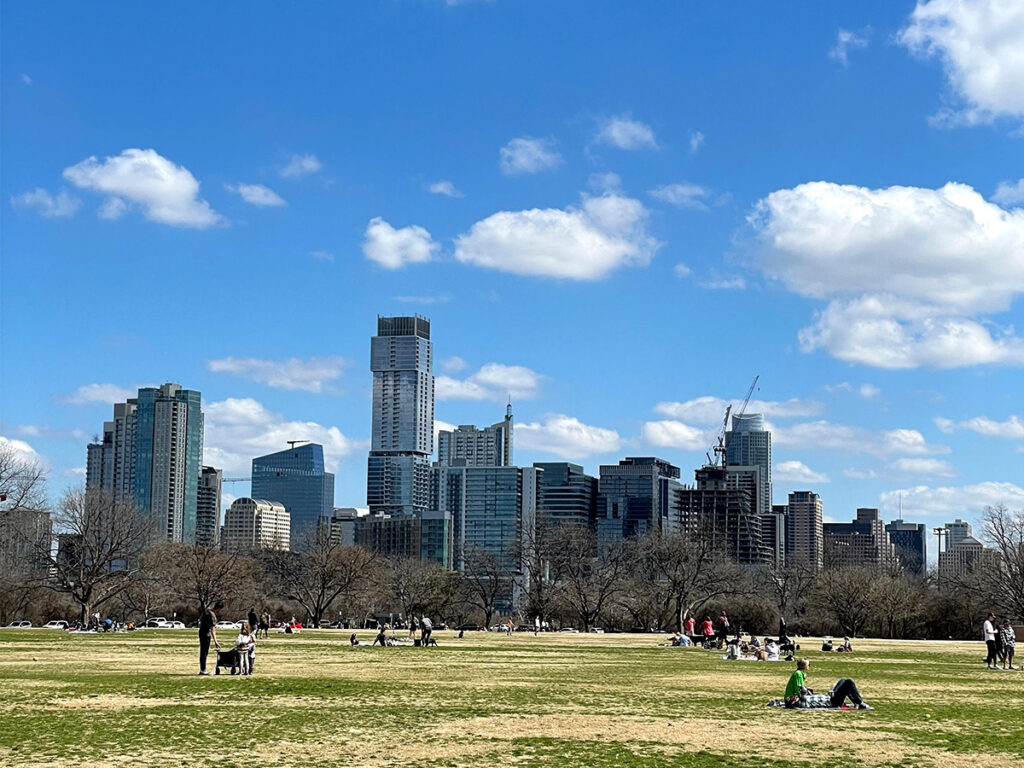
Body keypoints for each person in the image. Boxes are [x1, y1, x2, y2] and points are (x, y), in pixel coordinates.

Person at [784, 659, 873, 710]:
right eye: (808, 665)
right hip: (832, 701)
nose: (809, 666)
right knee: (849, 682)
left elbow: (802, 689)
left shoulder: (799, 673)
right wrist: (801, 694)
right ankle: (860, 703)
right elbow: (799, 689)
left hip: (829, 698)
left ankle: (856, 702)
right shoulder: (798, 674)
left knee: (843, 680)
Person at [198, 601, 222, 676]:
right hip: (206, 634)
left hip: (201, 632)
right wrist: (215, 641)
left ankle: (202, 668)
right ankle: (203, 670)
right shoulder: (212, 615)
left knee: (202, 652)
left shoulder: (206, 611)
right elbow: (212, 629)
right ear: (218, 609)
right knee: (204, 652)